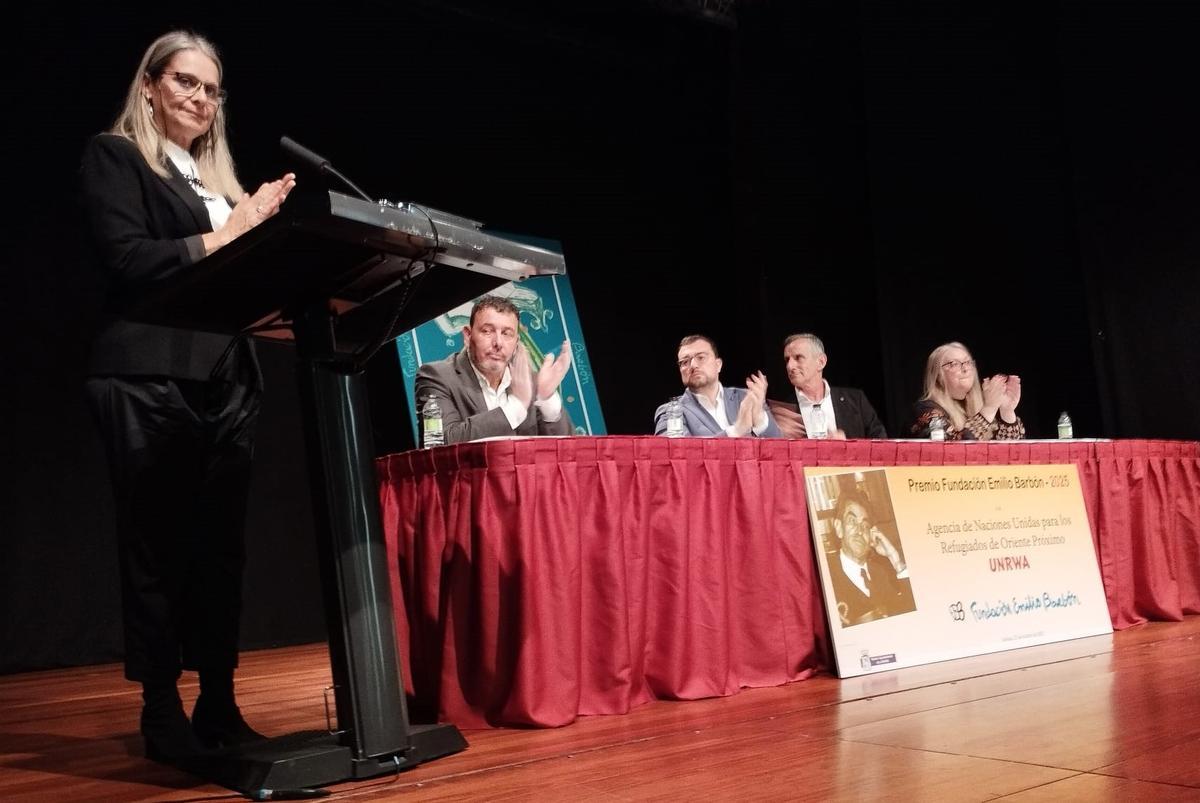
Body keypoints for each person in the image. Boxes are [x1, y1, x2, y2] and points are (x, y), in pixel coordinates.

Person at [80, 30, 296, 764]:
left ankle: (219, 702)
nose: (201, 99)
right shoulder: (117, 158)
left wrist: (265, 242)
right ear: (150, 85)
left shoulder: (219, 184)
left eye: (212, 89)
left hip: (229, 380)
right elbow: (129, 257)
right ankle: (161, 710)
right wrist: (228, 232)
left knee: (220, 553)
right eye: (186, 82)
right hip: (148, 376)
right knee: (157, 548)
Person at [414, 295, 575, 444]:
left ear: (516, 342)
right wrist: (516, 407)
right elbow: (440, 443)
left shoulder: (530, 383)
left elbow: (566, 453)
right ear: (468, 336)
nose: (498, 342)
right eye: (487, 331)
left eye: (507, 334)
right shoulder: (436, 377)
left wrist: (547, 400)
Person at [653, 335, 782, 437]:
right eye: (684, 362)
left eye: (701, 357)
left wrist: (760, 420)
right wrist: (737, 430)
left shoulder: (747, 397)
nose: (693, 365)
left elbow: (780, 450)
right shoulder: (671, 412)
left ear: (718, 365)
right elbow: (675, 456)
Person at [767, 333, 887, 439]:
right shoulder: (783, 411)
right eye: (787, 360)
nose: (790, 366)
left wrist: (849, 446)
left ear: (821, 362)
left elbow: (881, 444)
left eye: (798, 358)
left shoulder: (855, 400)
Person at [826, 489, 915, 626]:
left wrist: (895, 560)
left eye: (865, 525)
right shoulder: (825, 577)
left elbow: (910, 616)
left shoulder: (881, 574)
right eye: (852, 521)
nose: (860, 530)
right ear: (839, 528)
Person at [909, 342, 1025, 440]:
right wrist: (989, 409)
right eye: (954, 364)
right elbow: (949, 454)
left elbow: (1009, 455)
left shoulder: (978, 408)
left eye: (968, 362)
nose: (965, 368)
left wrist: (1007, 412)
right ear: (938, 375)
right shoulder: (926, 410)